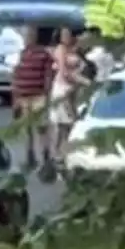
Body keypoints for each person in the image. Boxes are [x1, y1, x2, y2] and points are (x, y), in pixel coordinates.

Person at [10, 24, 55, 170]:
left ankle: (46, 155)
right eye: (26, 35)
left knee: (42, 127)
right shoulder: (22, 53)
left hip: (38, 96)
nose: (27, 38)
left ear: (35, 37)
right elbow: (16, 75)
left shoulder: (44, 54)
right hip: (23, 97)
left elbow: (48, 75)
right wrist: (15, 97)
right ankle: (30, 156)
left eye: (30, 35)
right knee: (27, 128)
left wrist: (47, 95)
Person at [49, 26, 90, 160]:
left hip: (74, 90)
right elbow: (64, 72)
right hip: (62, 89)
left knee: (68, 124)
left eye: (68, 34)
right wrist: (84, 81)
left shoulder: (75, 49)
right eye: (64, 35)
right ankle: (58, 152)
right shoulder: (61, 49)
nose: (66, 38)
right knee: (65, 123)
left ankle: (62, 153)